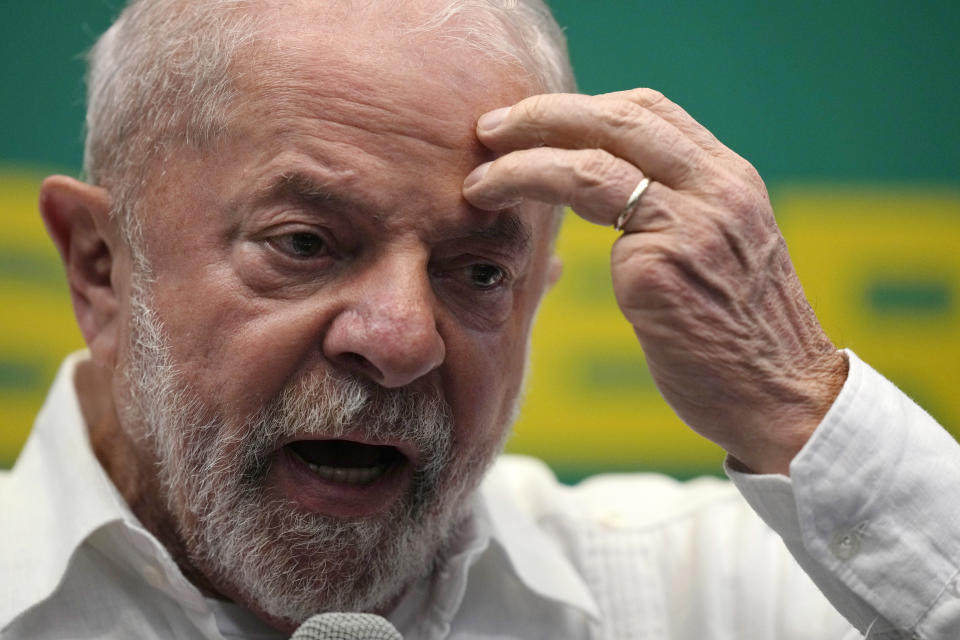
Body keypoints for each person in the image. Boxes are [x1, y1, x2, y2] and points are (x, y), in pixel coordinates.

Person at [1, 0, 958, 638]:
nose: (403, 338)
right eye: (304, 244)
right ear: (99, 264)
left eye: (479, 269)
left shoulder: (691, 594)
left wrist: (792, 398)